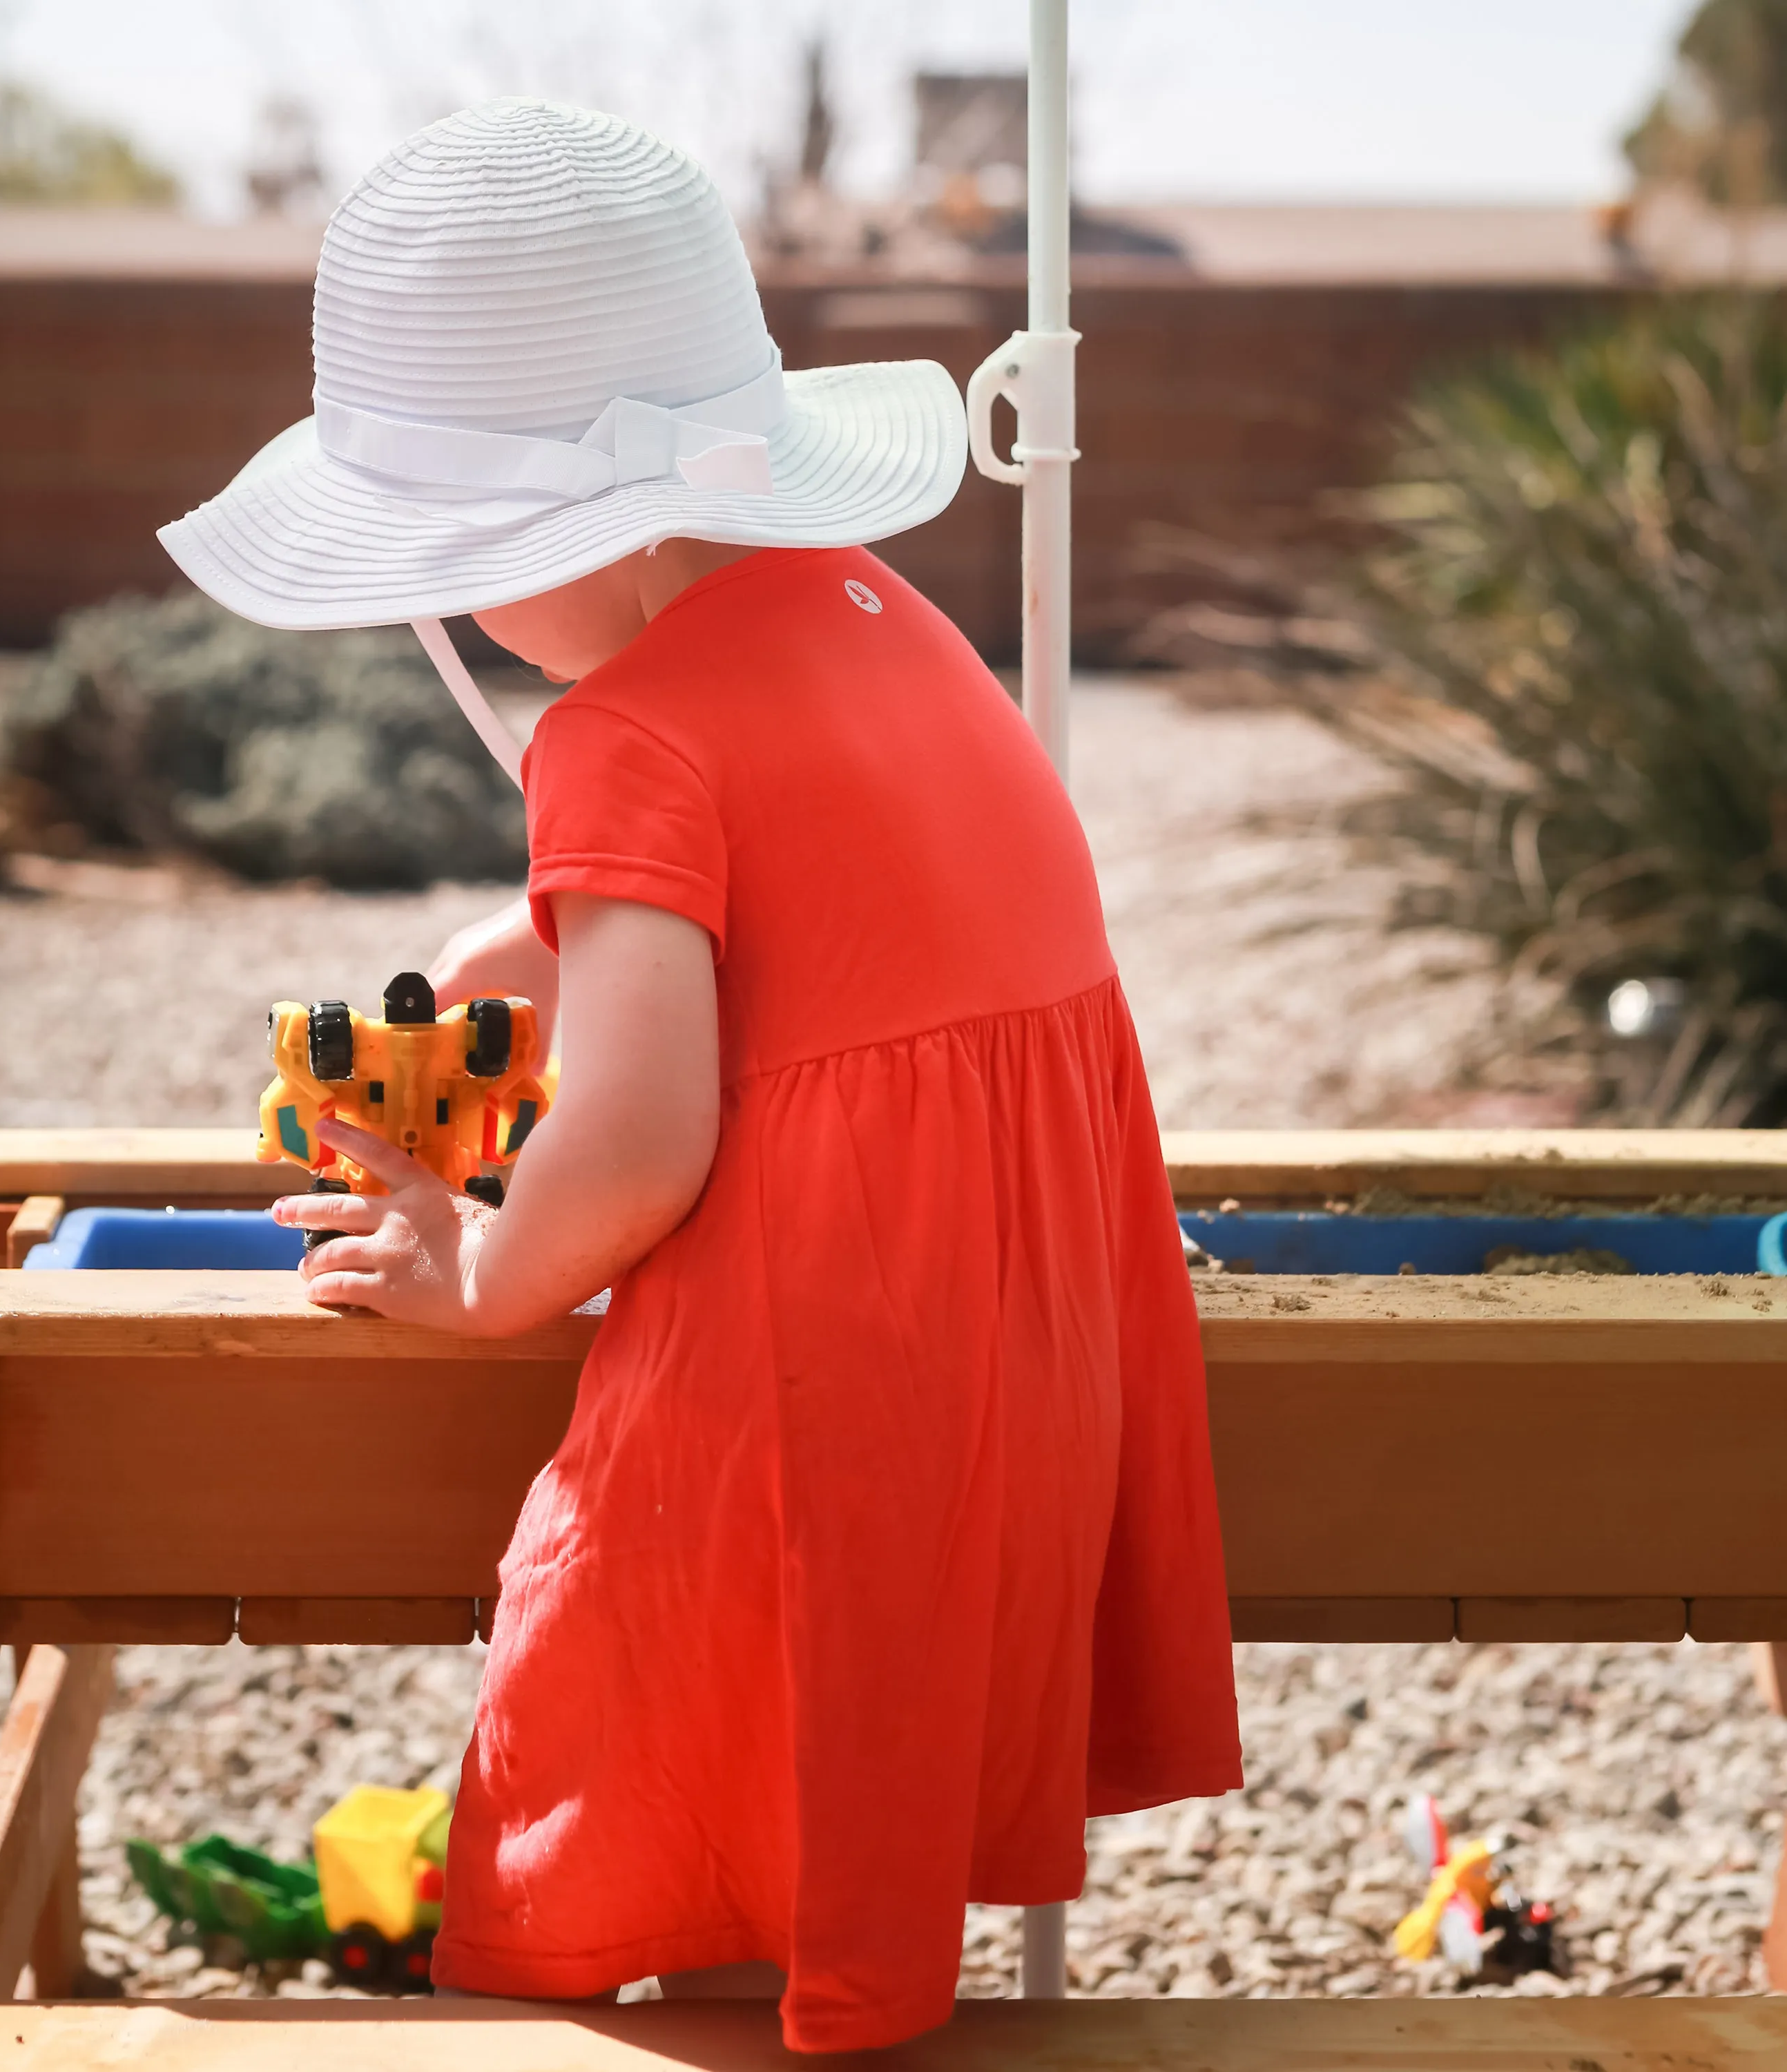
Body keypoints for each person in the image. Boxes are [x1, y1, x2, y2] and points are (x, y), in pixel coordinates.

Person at [160, 97, 1240, 2055]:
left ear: (534, 544)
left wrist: (486, 1278)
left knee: (608, 1684)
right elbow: (808, 918)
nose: (470, 616)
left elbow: (651, 1136)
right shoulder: (883, 620)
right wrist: (528, 954)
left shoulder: (622, 734)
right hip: (1018, 1335)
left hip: (818, 1366)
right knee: (807, 1750)